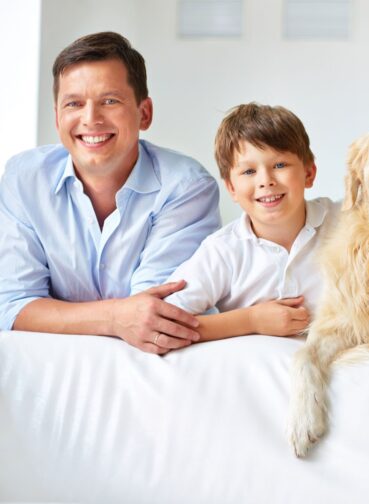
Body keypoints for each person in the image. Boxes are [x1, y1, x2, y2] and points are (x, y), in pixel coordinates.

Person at [0, 32, 221, 354]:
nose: (91, 119)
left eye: (110, 101)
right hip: (52, 371)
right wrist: (116, 317)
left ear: (144, 113)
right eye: (74, 103)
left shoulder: (187, 187)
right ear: (57, 115)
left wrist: (58, 314)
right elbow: (13, 304)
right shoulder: (24, 178)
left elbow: (156, 316)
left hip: (156, 371)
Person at [163, 103, 336, 340]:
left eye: (279, 165)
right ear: (232, 188)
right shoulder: (223, 251)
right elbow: (165, 321)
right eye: (248, 172)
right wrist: (251, 320)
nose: (266, 181)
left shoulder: (345, 222)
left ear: (309, 173)